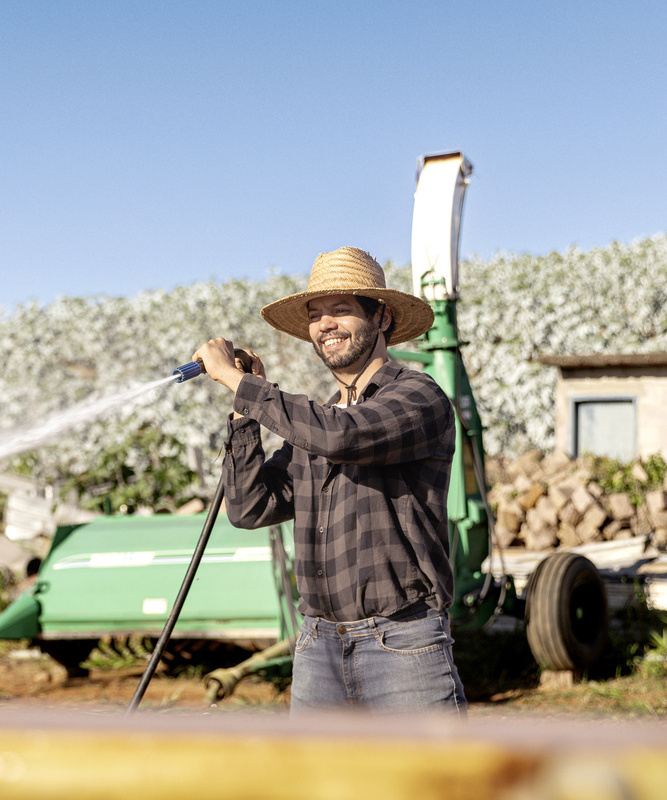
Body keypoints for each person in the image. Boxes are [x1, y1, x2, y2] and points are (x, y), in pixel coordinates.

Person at [190, 246, 465, 715]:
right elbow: (250, 507)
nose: (325, 325)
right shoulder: (316, 422)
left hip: (402, 642)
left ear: (381, 317)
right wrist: (243, 415)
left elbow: (343, 437)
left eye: (340, 309)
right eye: (315, 315)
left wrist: (241, 384)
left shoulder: (417, 395)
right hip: (318, 649)